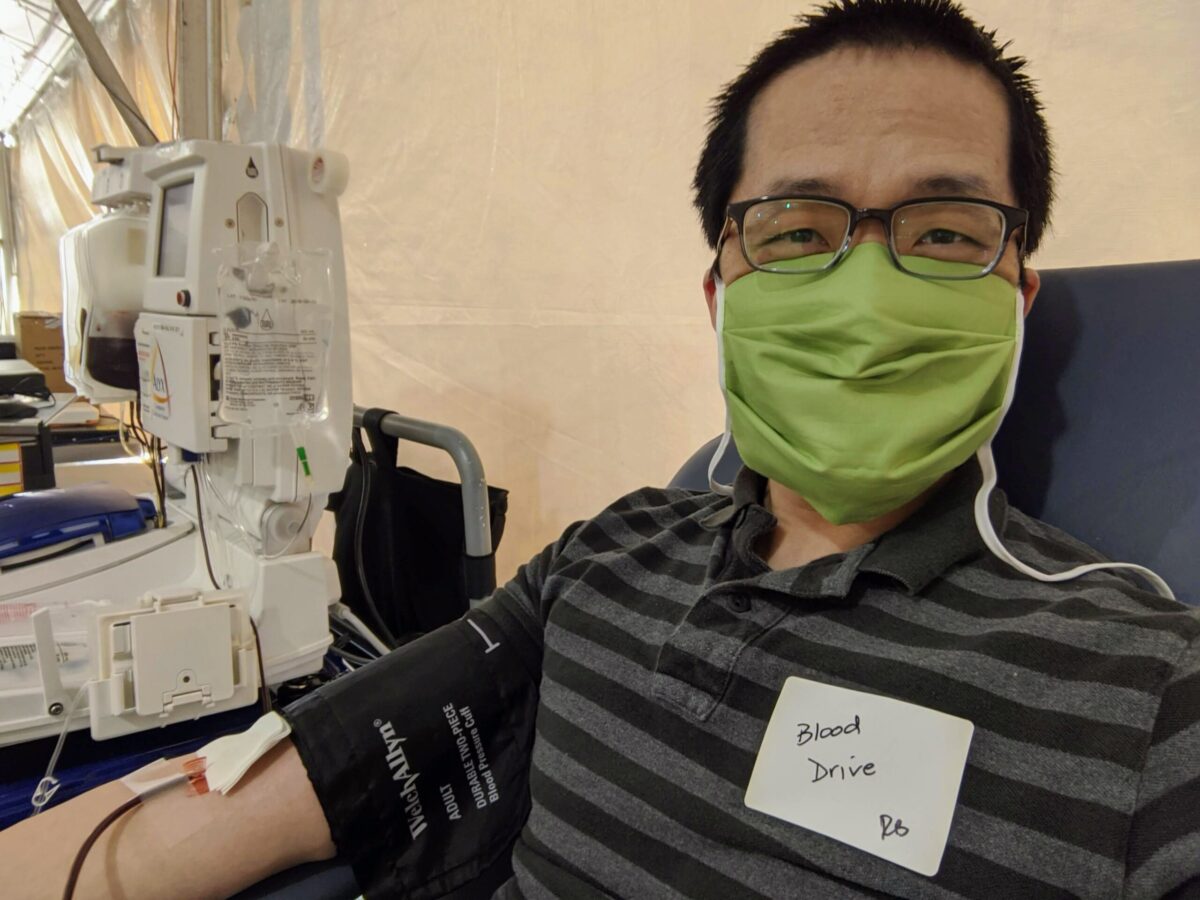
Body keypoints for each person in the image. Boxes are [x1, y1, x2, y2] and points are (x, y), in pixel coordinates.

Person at [4, 1, 1198, 897]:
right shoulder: (610, 556)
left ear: (1018, 295)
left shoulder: (1147, 697)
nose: (868, 288)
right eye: (797, 231)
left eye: (944, 232)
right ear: (719, 294)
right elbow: (242, 807)